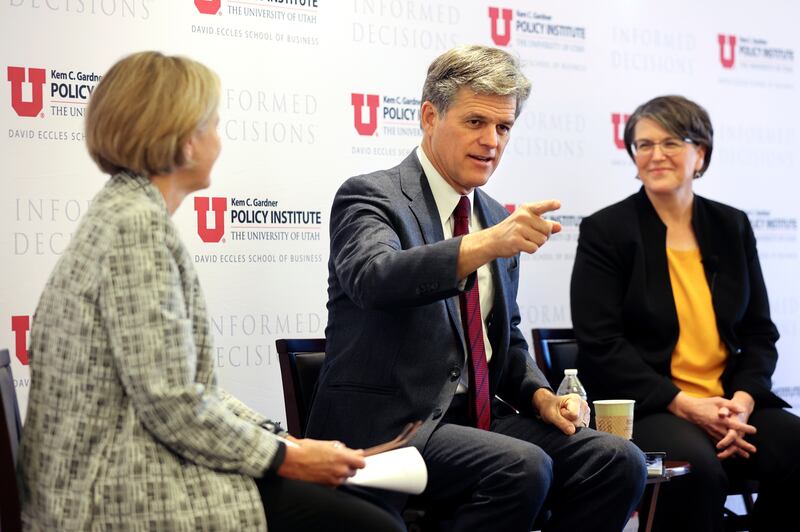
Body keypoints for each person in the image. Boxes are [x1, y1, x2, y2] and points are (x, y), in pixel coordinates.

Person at [17, 51, 403, 532]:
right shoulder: (135, 228)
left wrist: (287, 444)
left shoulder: (126, 214)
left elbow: (186, 392)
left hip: (128, 467)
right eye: (213, 124)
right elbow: (174, 404)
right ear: (181, 141)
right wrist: (288, 457)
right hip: (113, 491)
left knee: (374, 512)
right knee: (374, 524)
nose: (220, 140)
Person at [305, 45, 646, 531]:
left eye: (503, 127)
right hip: (391, 427)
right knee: (522, 467)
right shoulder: (372, 195)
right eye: (475, 122)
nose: (491, 141)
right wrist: (484, 245)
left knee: (618, 460)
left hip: (477, 424)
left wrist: (541, 397)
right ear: (429, 116)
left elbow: (503, 339)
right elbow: (373, 278)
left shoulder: (494, 217)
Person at [571, 95, 800, 532]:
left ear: (701, 154)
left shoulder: (731, 226)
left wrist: (742, 404)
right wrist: (688, 406)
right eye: (643, 145)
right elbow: (602, 345)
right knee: (697, 469)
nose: (656, 155)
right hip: (650, 405)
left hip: (729, 402)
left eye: (672, 142)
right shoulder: (607, 230)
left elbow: (759, 332)